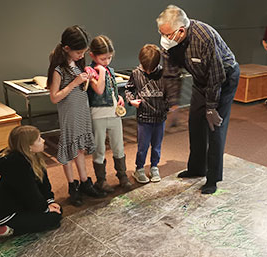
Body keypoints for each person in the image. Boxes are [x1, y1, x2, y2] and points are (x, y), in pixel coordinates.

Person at [156, 5, 240, 194]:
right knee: (195, 122)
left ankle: (213, 178)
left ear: (181, 31)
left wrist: (211, 108)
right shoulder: (169, 42)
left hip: (224, 78)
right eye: (161, 33)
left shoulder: (205, 37)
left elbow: (216, 76)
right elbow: (170, 74)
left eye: (167, 34)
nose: (164, 38)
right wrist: (173, 104)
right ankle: (196, 168)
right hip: (201, 80)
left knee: (214, 127)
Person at [47, 26, 105, 206]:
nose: (82, 55)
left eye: (83, 52)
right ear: (67, 49)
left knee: (80, 148)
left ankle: (84, 181)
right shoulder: (58, 69)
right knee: (70, 149)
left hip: (81, 111)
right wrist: (74, 83)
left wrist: (86, 78)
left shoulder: (78, 64)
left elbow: (81, 86)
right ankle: (73, 186)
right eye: (79, 52)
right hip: (69, 115)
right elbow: (54, 97)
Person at [0, 125, 62, 239]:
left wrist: (50, 201)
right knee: (54, 219)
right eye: (39, 139)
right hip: (7, 215)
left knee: (57, 211)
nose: (43, 140)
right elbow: (30, 194)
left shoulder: (34, 157)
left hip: (22, 206)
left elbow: (44, 184)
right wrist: (46, 209)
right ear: (28, 146)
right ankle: (6, 229)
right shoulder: (18, 167)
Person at [125, 44, 180, 184]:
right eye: (146, 69)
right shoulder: (136, 73)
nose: (148, 72)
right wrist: (132, 101)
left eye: (152, 69)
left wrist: (168, 105)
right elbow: (129, 89)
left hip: (159, 118)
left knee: (156, 146)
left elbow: (170, 93)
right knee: (142, 146)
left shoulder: (163, 74)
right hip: (144, 118)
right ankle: (139, 169)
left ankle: (154, 167)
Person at [86, 35, 132, 193]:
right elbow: (98, 90)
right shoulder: (91, 70)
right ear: (92, 55)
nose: (106, 61)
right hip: (98, 115)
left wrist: (117, 98)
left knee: (118, 146)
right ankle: (101, 180)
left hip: (113, 114)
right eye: (103, 58)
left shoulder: (109, 70)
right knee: (99, 148)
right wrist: (102, 72)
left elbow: (110, 90)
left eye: (109, 58)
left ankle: (122, 175)